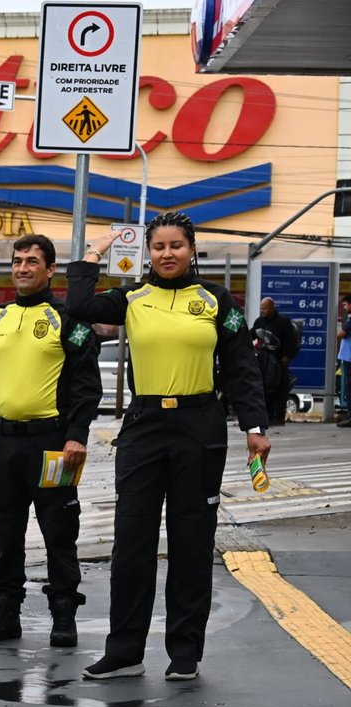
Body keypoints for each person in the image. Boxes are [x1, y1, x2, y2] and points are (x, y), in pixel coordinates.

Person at [69, 212, 270, 680]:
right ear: (148, 253)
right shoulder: (132, 298)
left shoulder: (217, 300)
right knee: (133, 541)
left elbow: (241, 366)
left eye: (176, 245)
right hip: (144, 425)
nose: (166, 254)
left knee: (191, 541)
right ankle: (124, 651)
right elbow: (80, 306)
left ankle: (184, 653)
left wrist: (255, 426)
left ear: (192, 249)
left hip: (200, 426)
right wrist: (93, 254)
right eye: (158, 247)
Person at [0, 234, 102, 647]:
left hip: (54, 445)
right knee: (4, 533)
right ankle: (5, 614)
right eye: (17, 261)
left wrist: (77, 436)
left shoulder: (69, 320)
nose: (22, 268)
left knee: (60, 532)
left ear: (50, 269)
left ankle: (64, 616)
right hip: (3, 445)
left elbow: (85, 386)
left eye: (32, 262)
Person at [251, 297, 298, 424]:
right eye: (261, 308)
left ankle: (278, 416)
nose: (263, 311)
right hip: (264, 362)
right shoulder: (260, 321)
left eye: (265, 308)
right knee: (265, 388)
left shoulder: (283, 322)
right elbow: (251, 335)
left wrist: (288, 356)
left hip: (279, 361)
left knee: (280, 389)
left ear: (272, 307)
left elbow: (292, 341)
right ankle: (267, 415)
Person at [337, 294, 351, 427]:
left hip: (349, 358)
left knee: (349, 387)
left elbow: (341, 334)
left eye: (346, 305)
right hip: (347, 357)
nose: (345, 308)